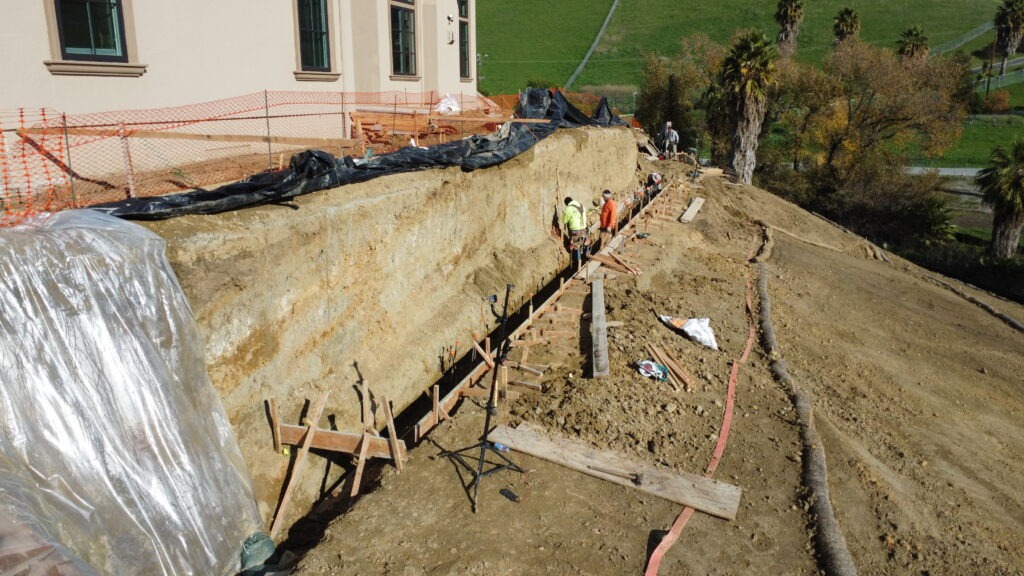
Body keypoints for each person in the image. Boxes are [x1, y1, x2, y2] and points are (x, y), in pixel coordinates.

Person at [562, 196, 589, 269]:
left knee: (576, 246)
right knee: (585, 244)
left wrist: (564, 214)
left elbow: (564, 221)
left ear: (567, 204)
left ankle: (578, 265)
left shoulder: (568, 208)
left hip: (575, 230)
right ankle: (588, 260)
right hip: (584, 228)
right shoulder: (581, 205)